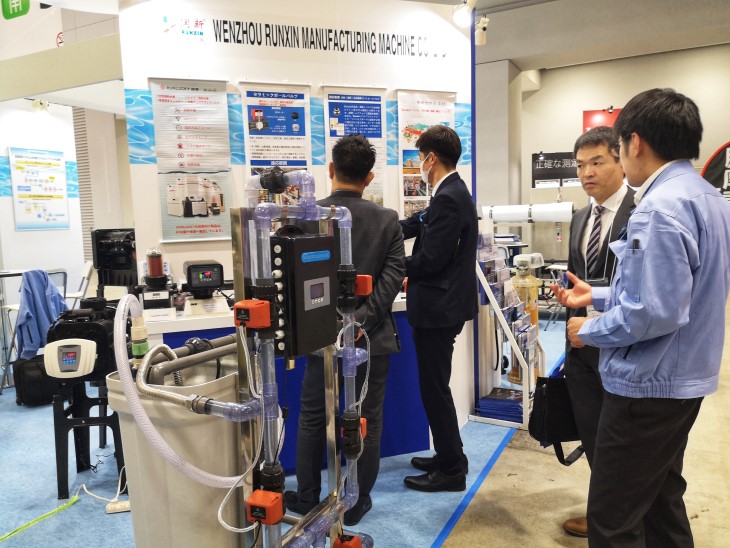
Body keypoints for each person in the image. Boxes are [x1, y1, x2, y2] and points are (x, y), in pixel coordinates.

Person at [555, 88, 730, 546]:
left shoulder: (657, 209)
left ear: (634, 143)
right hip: (684, 378)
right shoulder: (708, 197)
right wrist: (598, 294)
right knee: (659, 503)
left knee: (613, 520)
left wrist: (590, 329)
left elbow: (653, 312)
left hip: (647, 386)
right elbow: (676, 289)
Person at [284, 134, 405, 526]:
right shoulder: (387, 219)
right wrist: (360, 324)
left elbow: (296, 281)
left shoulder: (308, 217)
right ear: (369, 178)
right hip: (372, 340)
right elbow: (392, 278)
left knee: (313, 416)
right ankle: (355, 501)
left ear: (331, 170)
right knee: (367, 418)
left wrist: (331, 326)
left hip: (319, 338)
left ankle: (306, 497)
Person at [560, 126, 636, 538]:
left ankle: (622, 520)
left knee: (624, 441)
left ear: (620, 161)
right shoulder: (579, 218)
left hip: (623, 346)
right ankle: (604, 512)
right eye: (580, 165)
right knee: (592, 434)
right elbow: (579, 283)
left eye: (597, 162)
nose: (586, 172)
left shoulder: (642, 213)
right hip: (582, 347)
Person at [400, 125, 478, 492]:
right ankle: (451, 455)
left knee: (434, 390)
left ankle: (451, 471)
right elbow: (419, 224)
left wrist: (392, 266)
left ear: (431, 158)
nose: (419, 163)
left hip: (438, 310)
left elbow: (431, 260)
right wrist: (386, 229)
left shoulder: (449, 196)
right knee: (436, 387)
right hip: (444, 306)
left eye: (420, 157)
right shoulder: (451, 191)